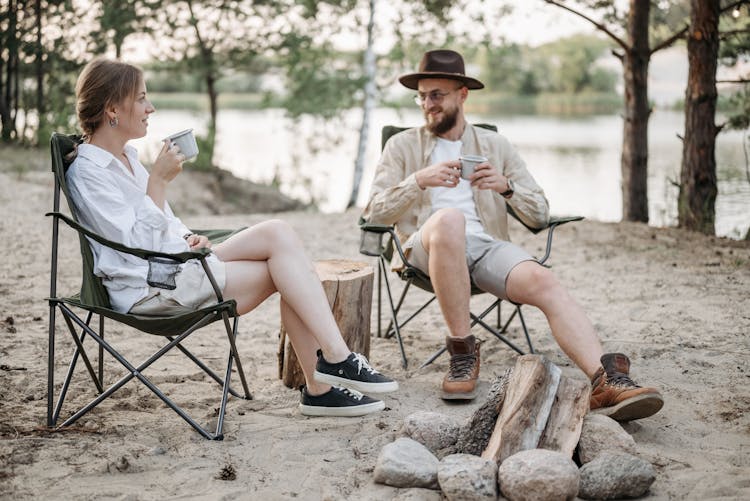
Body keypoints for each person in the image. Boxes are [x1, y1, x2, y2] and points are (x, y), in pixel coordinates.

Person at [67, 57, 398, 418]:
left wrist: (189, 236)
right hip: (153, 289)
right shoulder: (89, 172)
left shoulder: (127, 157)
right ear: (113, 109)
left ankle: (331, 370)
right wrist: (158, 182)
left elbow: (162, 221)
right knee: (288, 272)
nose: (151, 108)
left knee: (279, 234)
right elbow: (134, 246)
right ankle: (328, 376)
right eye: (142, 98)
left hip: (179, 262)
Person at [362, 49, 663, 421]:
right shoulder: (402, 146)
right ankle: (462, 356)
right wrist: (416, 181)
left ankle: (606, 380)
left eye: (436, 94)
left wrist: (506, 188)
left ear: (462, 94)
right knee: (450, 220)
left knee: (542, 279)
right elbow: (373, 212)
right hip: (425, 249)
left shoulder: (496, 147)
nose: (427, 104)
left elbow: (539, 213)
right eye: (422, 96)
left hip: (486, 247)